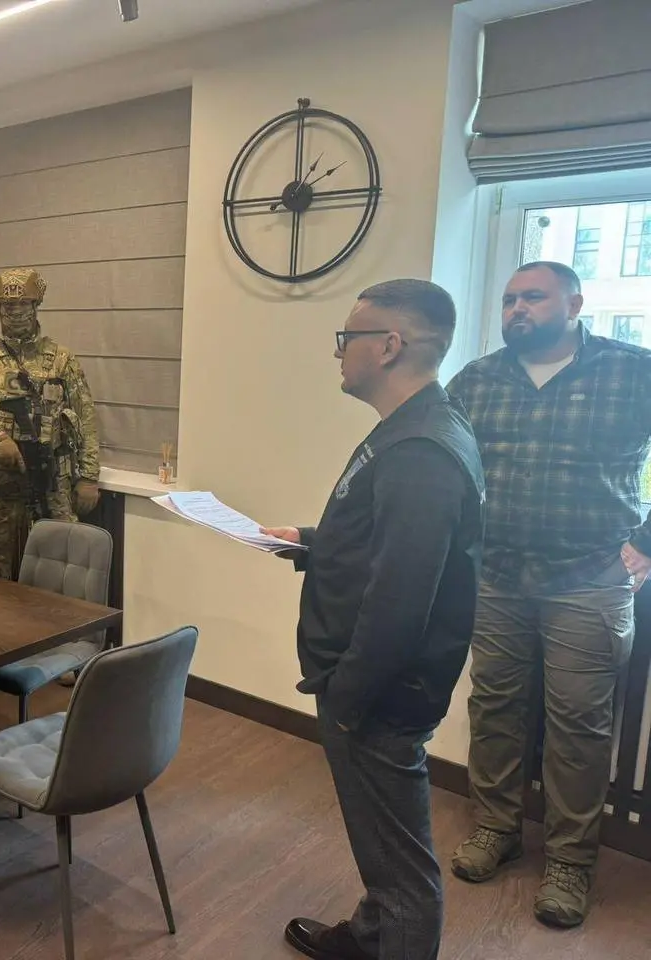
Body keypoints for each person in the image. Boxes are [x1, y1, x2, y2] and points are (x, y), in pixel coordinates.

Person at [263, 279, 485, 960]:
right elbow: (387, 546)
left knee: (402, 866)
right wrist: (309, 540)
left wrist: (349, 699)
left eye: (347, 337)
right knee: (382, 842)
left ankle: (392, 940)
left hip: (379, 695)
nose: (338, 352)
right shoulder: (413, 428)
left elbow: (400, 602)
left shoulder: (421, 450)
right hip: (373, 687)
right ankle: (369, 938)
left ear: (389, 346)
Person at [445, 261, 647, 928]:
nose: (517, 309)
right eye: (509, 299)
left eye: (533, 297)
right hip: (498, 578)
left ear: (575, 304)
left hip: (588, 579)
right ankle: (496, 828)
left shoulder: (632, 372)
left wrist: (648, 542)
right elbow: (444, 466)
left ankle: (569, 863)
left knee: (579, 727)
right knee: (494, 708)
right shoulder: (477, 379)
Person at [0, 266, 101, 580]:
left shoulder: (61, 359)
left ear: (36, 305)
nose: (15, 312)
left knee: (59, 569)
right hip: (1, 484)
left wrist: (88, 477)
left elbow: (85, 417)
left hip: (52, 482)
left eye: (22, 304)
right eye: (7, 305)